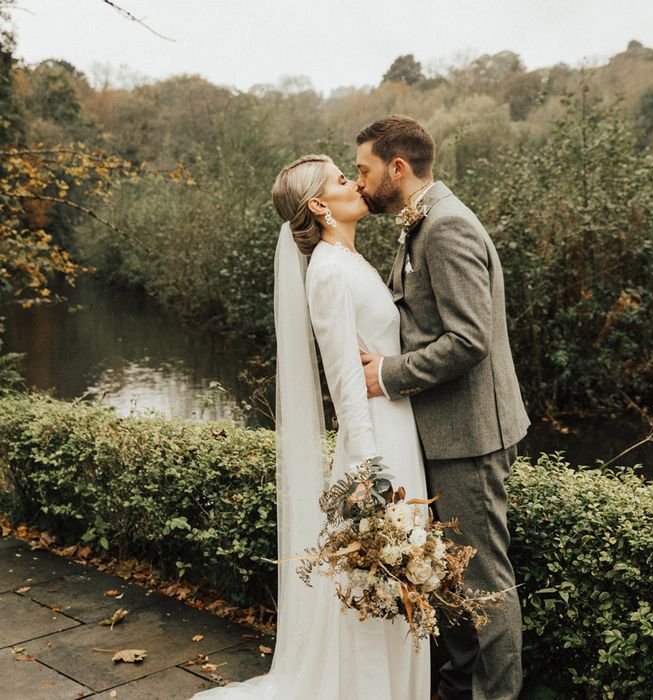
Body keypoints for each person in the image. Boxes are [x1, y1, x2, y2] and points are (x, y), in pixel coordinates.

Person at [189, 154, 430, 699]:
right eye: (342, 180)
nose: (354, 183)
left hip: (395, 427)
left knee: (396, 577)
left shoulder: (349, 259)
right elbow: (344, 379)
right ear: (320, 206)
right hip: (375, 443)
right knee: (375, 580)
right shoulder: (326, 270)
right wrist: (368, 468)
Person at [355, 116, 530, 700]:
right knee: (450, 574)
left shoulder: (448, 226)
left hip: (471, 434)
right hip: (442, 431)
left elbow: (468, 339)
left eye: (365, 170)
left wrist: (387, 374)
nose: (359, 183)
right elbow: (419, 317)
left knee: (483, 582)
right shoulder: (418, 221)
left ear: (397, 169)